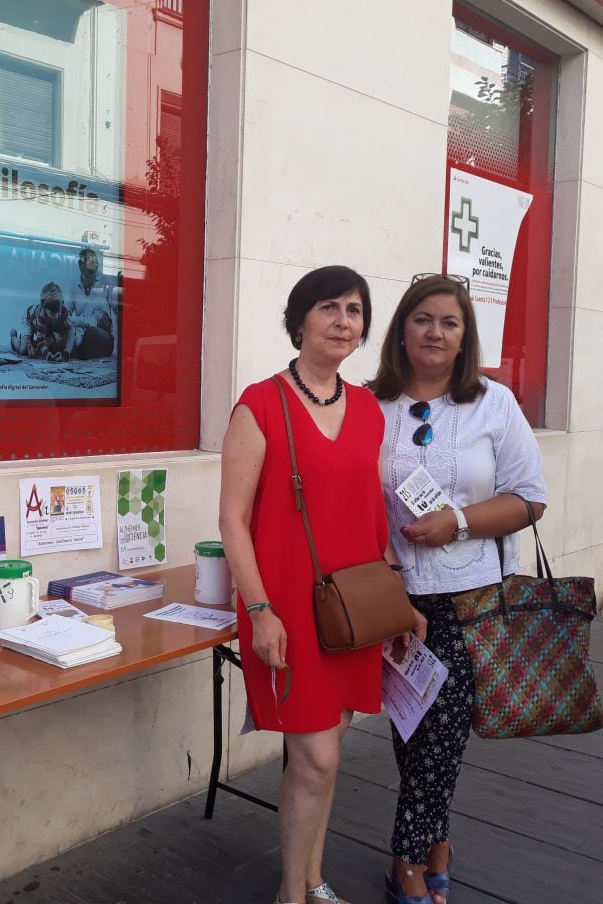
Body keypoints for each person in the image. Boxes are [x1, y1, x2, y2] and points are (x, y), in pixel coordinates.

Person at [220, 265, 424, 904]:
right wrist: (260, 611)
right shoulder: (259, 404)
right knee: (316, 759)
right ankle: (292, 893)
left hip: (353, 607)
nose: (343, 321)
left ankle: (312, 879)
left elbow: (372, 515)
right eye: (329, 307)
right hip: (285, 606)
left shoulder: (366, 409)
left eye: (355, 310)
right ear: (300, 320)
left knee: (326, 748)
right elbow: (232, 519)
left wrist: (400, 601)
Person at [369, 274, 546, 904]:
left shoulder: (493, 403)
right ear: (402, 329)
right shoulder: (370, 405)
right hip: (393, 594)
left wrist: (459, 522)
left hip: (472, 595)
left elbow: (530, 499)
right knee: (412, 730)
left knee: (443, 729)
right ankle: (437, 845)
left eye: (449, 322)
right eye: (422, 319)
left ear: (465, 335)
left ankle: (406, 863)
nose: (435, 332)